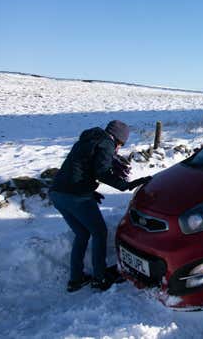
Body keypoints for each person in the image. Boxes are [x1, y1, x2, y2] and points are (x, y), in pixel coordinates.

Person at [49, 120, 152, 292]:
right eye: (121, 144)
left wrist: (89, 190)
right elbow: (102, 172)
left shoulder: (89, 140)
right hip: (75, 196)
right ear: (118, 139)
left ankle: (76, 279)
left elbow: (79, 167)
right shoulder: (106, 144)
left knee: (81, 233)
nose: (119, 148)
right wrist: (126, 185)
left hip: (57, 193)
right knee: (99, 232)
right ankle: (100, 277)